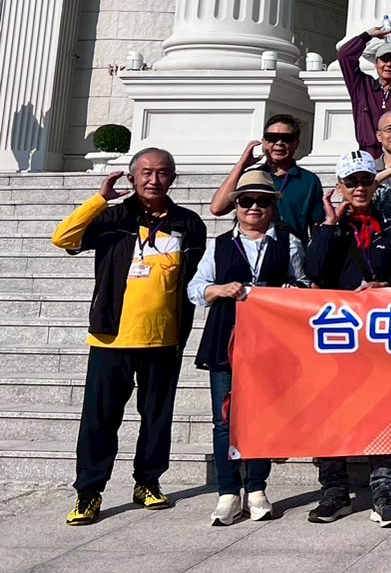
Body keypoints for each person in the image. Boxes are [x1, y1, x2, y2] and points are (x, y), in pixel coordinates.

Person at [52, 149, 207, 526]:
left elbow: (194, 278)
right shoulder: (113, 217)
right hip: (112, 337)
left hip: (164, 338)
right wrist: (100, 199)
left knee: (157, 418)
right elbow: (63, 238)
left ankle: (148, 482)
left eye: (163, 173)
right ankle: (89, 492)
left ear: (173, 178)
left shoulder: (188, 222)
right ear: (133, 177)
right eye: (146, 172)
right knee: (99, 419)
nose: (154, 180)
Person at [189, 169, 307, 526]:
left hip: (270, 341)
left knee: (263, 415)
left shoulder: (288, 242)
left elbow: (303, 285)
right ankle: (228, 491)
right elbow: (196, 288)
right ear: (236, 206)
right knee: (223, 419)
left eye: (262, 201)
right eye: (246, 201)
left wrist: (287, 293)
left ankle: (256, 488)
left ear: (273, 206)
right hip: (226, 337)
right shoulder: (220, 244)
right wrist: (218, 290)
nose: (254, 207)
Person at [304, 151, 391, 527]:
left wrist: (385, 286)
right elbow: (315, 272)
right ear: (340, 187)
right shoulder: (330, 227)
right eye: (351, 182)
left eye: (366, 180)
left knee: (383, 413)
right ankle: (334, 491)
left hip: (384, 337)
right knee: (331, 413)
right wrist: (329, 227)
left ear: (375, 183)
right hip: (339, 337)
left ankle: (384, 493)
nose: (360, 188)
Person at [208, 115, 324, 244]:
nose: (279, 143)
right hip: (251, 249)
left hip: (291, 250)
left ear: (296, 143)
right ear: (263, 142)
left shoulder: (309, 180)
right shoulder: (252, 177)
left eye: (287, 138)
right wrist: (241, 165)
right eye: (272, 137)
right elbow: (217, 209)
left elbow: (317, 226)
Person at [338, 25, 391, 156]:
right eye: (384, 60)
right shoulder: (362, 85)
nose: (389, 65)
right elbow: (344, 55)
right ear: (376, 63)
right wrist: (368, 35)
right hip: (367, 154)